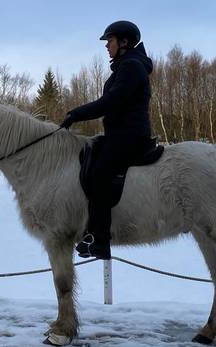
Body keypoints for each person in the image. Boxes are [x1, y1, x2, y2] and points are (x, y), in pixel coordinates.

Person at [61, 20, 153, 260]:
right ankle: (89, 229)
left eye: (110, 41)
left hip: (129, 137)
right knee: (89, 159)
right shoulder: (126, 65)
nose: (107, 46)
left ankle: (100, 240)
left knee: (100, 173)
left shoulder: (131, 66)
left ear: (124, 42)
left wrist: (76, 114)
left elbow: (111, 102)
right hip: (119, 135)